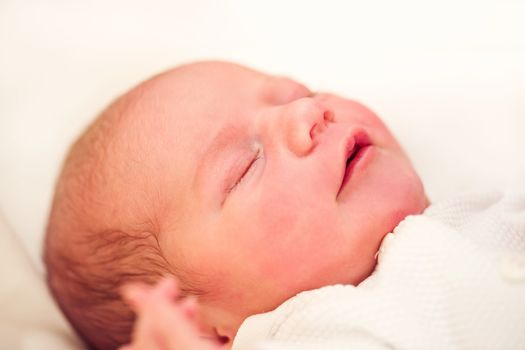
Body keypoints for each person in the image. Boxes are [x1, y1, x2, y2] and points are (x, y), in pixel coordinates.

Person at [45, 61, 523, 350]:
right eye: (247, 165)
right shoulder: (304, 335)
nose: (305, 113)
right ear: (210, 334)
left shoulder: (484, 218)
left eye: (300, 93)